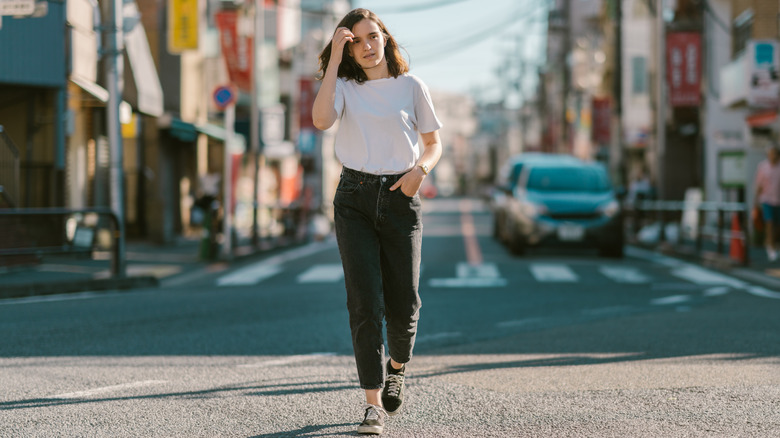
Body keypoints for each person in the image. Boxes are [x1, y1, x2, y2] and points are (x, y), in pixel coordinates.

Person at [312, 8, 443, 435]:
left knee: (405, 305)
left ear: (385, 38)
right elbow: (321, 120)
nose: (366, 47)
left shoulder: (411, 86)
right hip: (353, 198)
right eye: (356, 42)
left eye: (373, 37)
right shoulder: (345, 87)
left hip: (400, 198)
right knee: (364, 304)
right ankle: (371, 404)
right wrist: (334, 57)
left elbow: (433, 143)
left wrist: (418, 173)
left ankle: (397, 365)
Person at [755, 145, 780, 261]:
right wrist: (755, 201)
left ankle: (771, 242)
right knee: (769, 223)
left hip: (778, 200)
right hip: (767, 199)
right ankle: (770, 247)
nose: (773, 156)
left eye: (775, 153)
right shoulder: (763, 167)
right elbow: (759, 185)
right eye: (771, 153)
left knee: (777, 226)